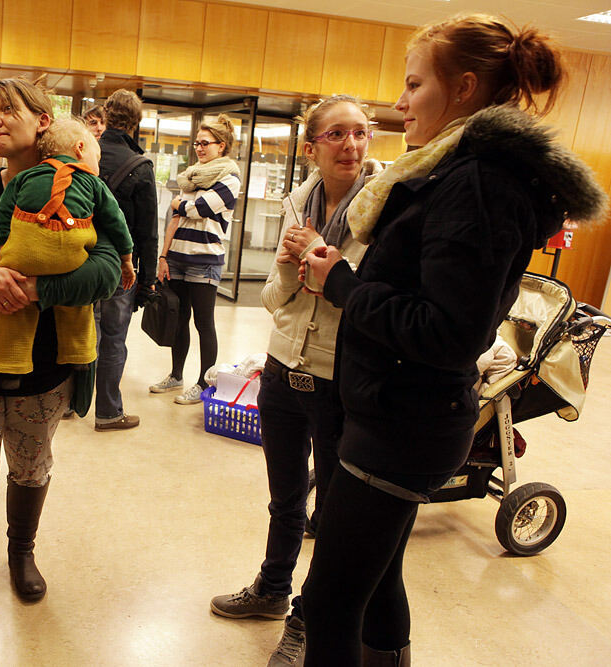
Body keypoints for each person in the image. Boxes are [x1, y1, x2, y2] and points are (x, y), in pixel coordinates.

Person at [283, 14, 607, 666]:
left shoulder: (478, 184)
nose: (399, 104)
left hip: (402, 423)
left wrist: (342, 283)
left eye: (412, 85)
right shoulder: (457, 171)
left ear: (462, 87)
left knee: (329, 600)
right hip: (393, 412)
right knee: (375, 586)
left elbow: (448, 332)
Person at [0, 78, 121, 667]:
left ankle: (21, 554)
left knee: (31, 468)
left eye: (8, 109)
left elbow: (110, 267)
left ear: (44, 121)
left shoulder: (84, 186)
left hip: (44, 372)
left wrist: (40, 289)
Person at [209, 97, 381, 633]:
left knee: (329, 514)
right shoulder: (297, 203)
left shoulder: (384, 208)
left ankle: (309, 619)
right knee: (285, 500)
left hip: (337, 378)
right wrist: (287, 267)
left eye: (360, 133)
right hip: (282, 369)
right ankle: (272, 588)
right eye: (336, 135)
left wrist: (328, 257)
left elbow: (372, 299)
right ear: (312, 148)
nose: (351, 145)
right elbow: (273, 300)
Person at [0, 116, 134, 385]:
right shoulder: (93, 183)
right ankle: (78, 355)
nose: (98, 165)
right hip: (70, 254)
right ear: (80, 149)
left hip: (23, 253)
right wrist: (126, 258)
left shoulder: (25, 176)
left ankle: (9, 366)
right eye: (97, 157)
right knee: (77, 303)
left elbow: (4, 211)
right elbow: (116, 222)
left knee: (12, 309)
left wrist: (4, 246)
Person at [150, 115, 240, 405]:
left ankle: (203, 383)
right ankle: (176, 375)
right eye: (197, 143)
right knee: (180, 319)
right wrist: (163, 256)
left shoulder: (230, 177)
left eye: (205, 143)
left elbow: (200, 208)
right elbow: (175, 216)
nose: (199, 148)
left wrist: (182, 203)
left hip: (205, 259)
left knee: (204, 322)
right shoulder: (191, 175)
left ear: (221, 145)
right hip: (177, 257)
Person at [93, 89, 159, 431]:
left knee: (80, 332)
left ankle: (68, 405)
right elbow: (148, 230)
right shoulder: (140, 166)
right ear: (136, 123)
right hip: (122, 266)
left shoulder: (87, 153)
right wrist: (148, 280)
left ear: (106, 115)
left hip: (81, 260)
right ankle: (107, 411)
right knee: (114, 336)